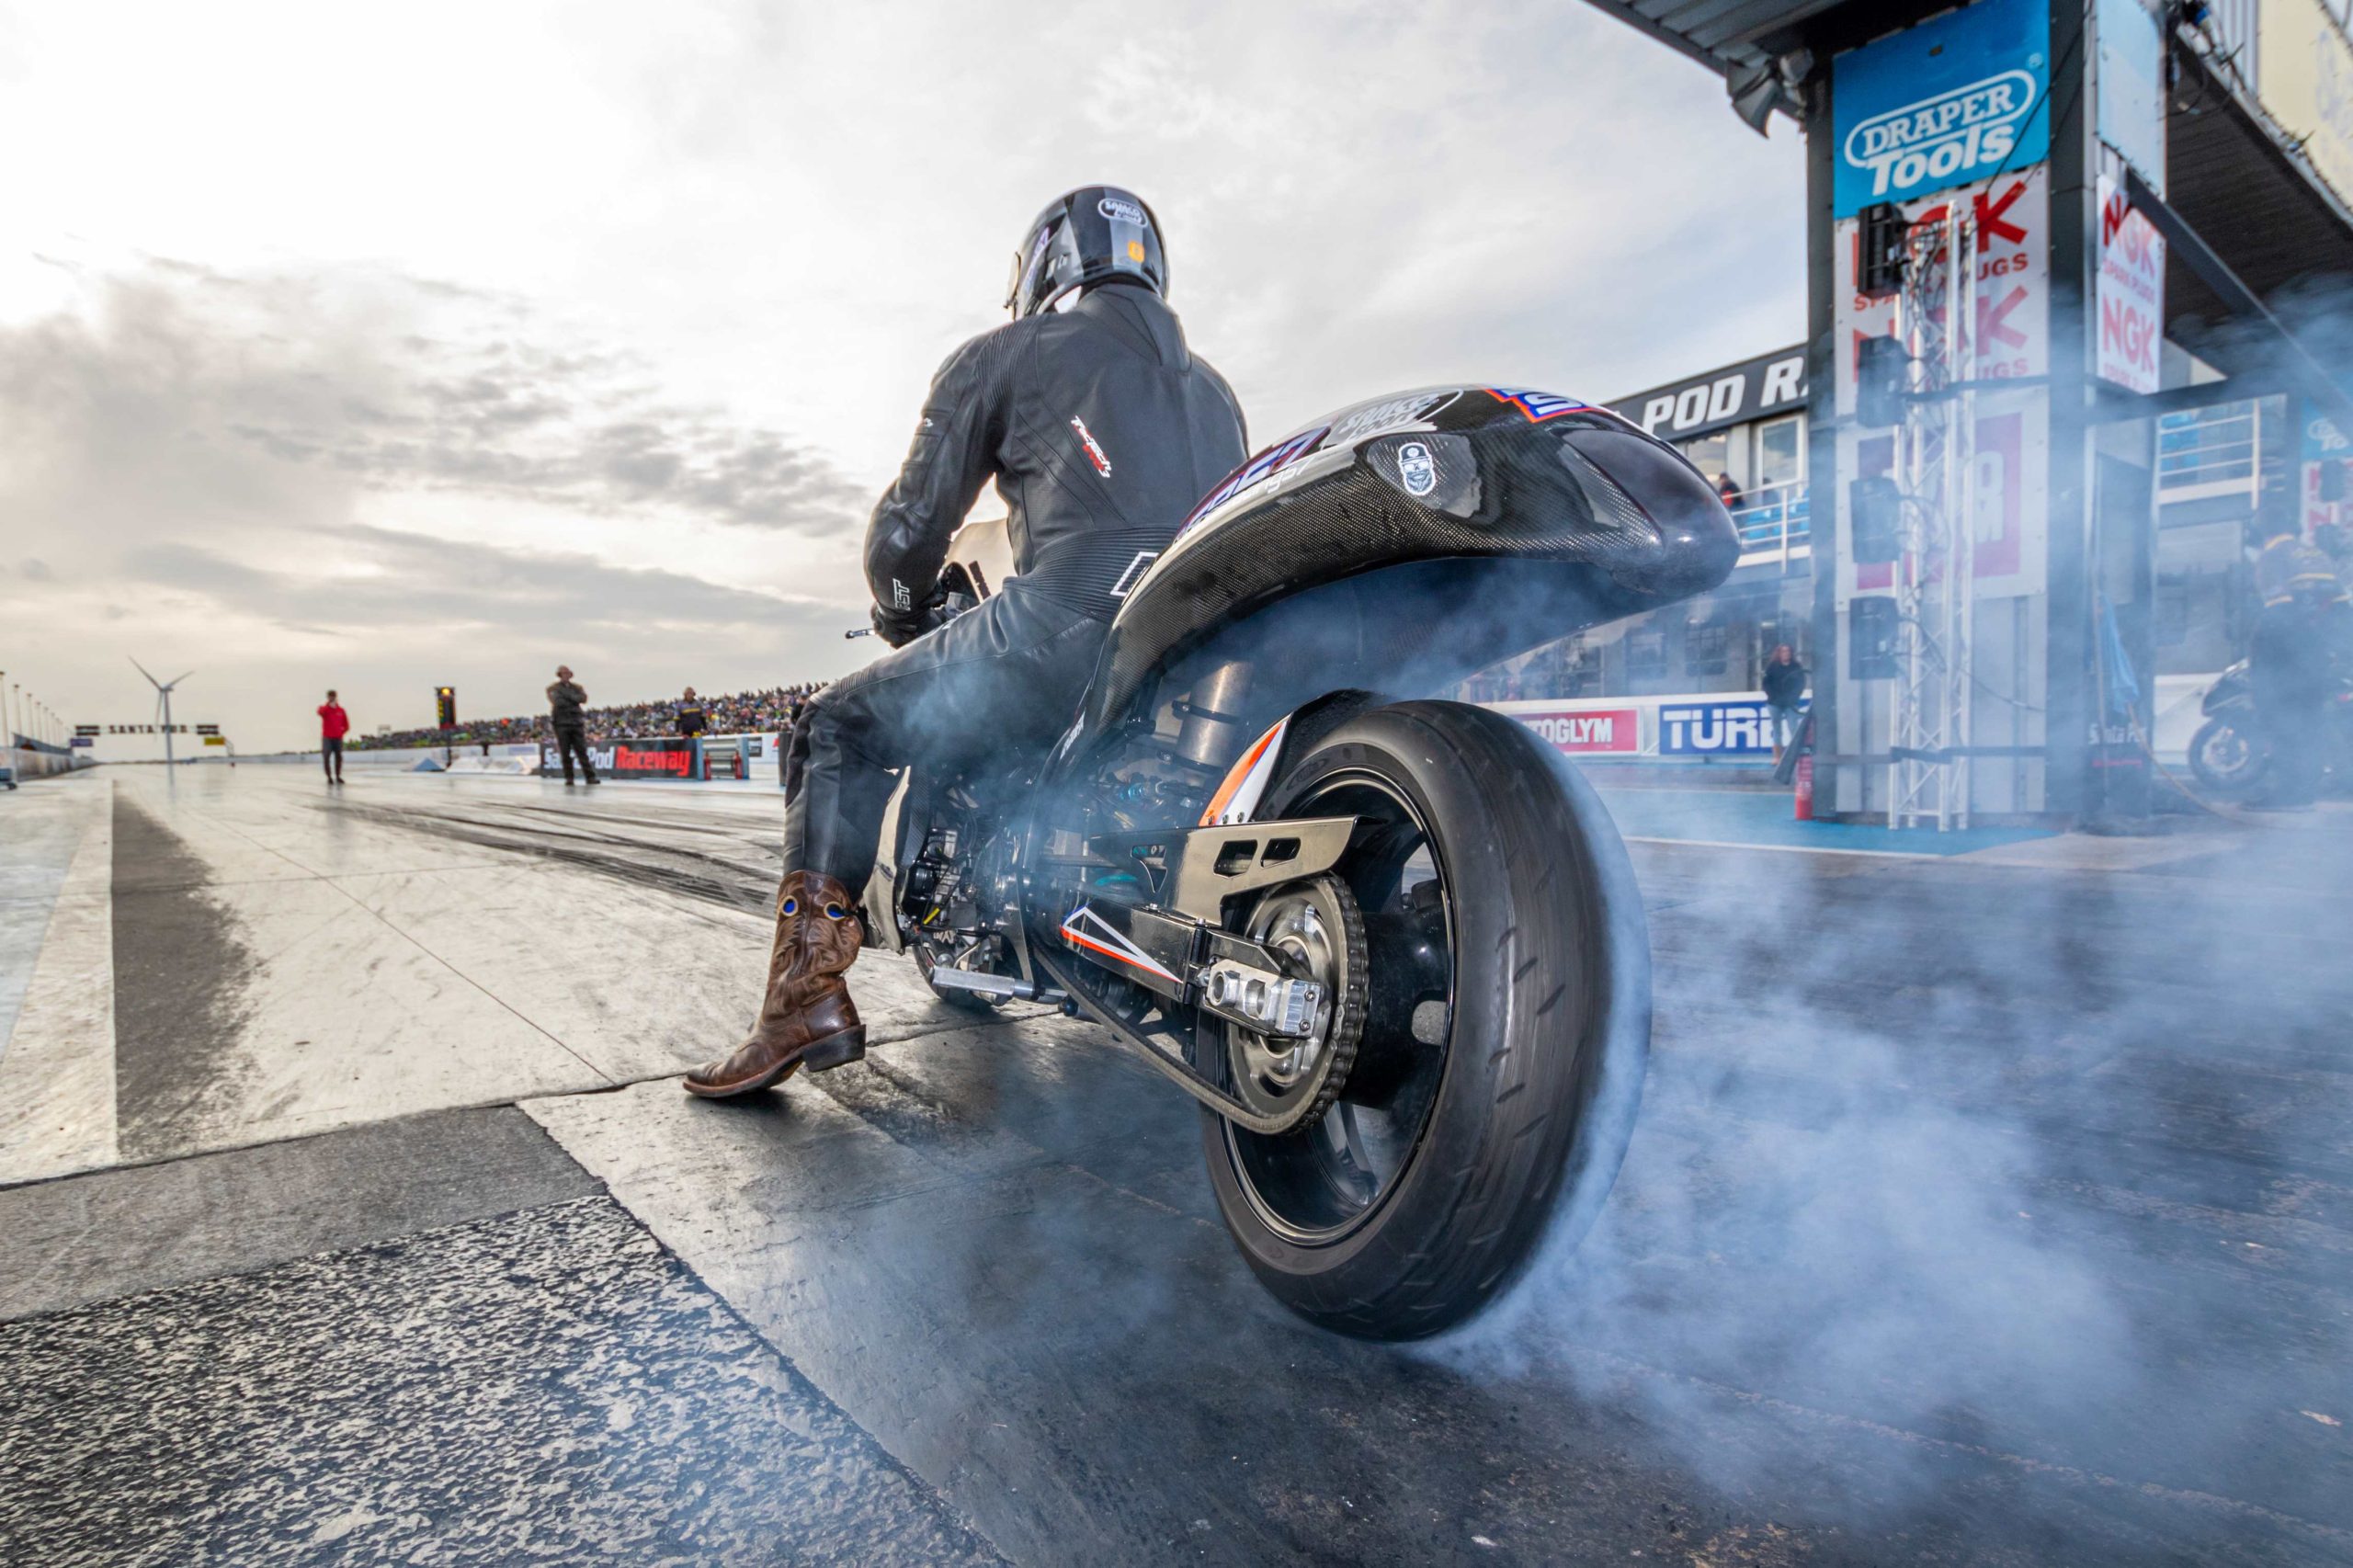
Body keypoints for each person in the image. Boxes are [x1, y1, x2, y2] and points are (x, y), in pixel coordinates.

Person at [686, 184, 1247, 1098]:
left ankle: (802, 997)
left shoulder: (1008, 353)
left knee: (836, 725)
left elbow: (906, 536)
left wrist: (906, 613)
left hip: (1062, 629)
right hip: (1194, 649)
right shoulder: (1215, 392)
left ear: (1043, 268)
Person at [2246, 527, 2346, 810]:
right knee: (2311, 726)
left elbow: (2279, 612)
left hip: (2285, 660)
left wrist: (2264, 661)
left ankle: (2286, 795)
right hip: (2317, 658)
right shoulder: (2320, 557)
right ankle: (2304, 794)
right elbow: (2342, 610)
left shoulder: (2271, 557)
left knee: (2281, 725)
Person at [548, 665, 598, 787]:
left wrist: (568, 696)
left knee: (582, 751)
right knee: (565, 752)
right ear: (559, 675)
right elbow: (558, 702)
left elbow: (583, 698)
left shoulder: (577, 687)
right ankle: (569, 777)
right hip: (561, 723)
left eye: (567, 673)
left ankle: (590, 777)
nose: (566, 675)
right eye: (563, 673)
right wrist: (574, 698)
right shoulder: (552, 688)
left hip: (576, 722)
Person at [1762, 643, 1806, 763]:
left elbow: (1801, 684)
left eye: (1788, 651)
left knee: (1793, 728)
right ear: (1779, 653)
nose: (1786, 653)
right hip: (1774, 702)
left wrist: (1793, 697)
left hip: (1791, 703)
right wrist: (1774, 696)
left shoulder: (1796, 666)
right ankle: (1777, 757)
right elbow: (1766, 684)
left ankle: (1795, 756)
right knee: (1777, 729)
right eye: (1783, 651)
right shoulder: (1772, 666)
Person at [316, 690, 350, 783]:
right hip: (327, 738)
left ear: (336, 697)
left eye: (333, 696)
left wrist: (340, 732)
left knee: (339, 757)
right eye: (330, 696)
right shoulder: (324, 709)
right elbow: (319, 712)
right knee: (326, 756)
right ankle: (329, 777)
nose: (332, 698)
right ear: (328, 697)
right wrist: (328, 706)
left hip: (338, 738)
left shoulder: (341, 710)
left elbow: (346, 725)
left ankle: (338, 776)